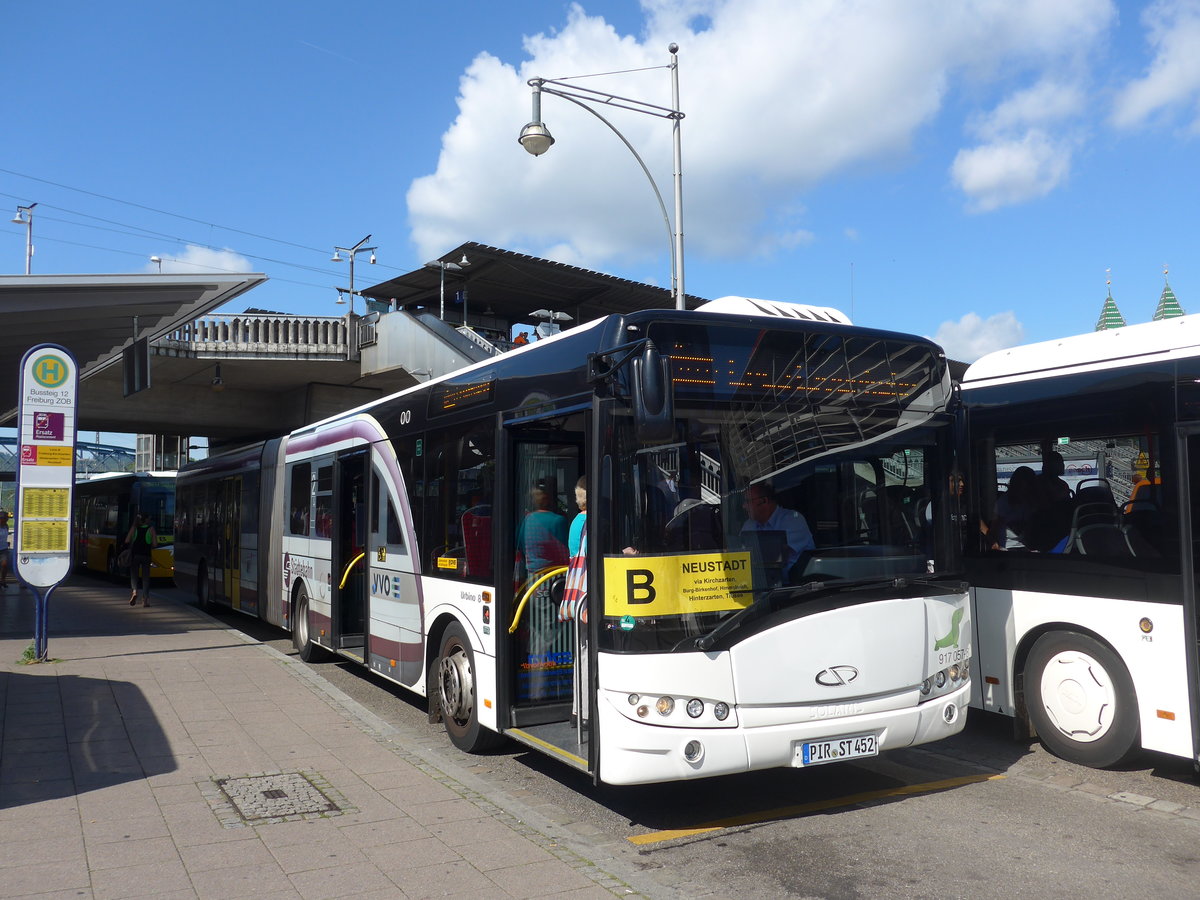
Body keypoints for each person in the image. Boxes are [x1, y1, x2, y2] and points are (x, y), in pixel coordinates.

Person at [740, 482, 815, 579]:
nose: (744, 506)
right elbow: (740, 555)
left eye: (747, 501)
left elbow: (771, 557)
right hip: (761, 586)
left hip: (795, 587)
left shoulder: (793, 520)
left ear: (764, 501)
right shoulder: (749, 524)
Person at [124, 512, 157, 607]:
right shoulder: (151, 529)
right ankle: (145, 600)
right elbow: (155, 544)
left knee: (134, 575)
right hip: (146, 555)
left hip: (135, 555)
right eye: (149, 518)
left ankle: (134, 592)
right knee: (145, 578)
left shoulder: (134, 528)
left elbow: (126, 540)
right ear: (146, 520)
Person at [0, 510, 10, 588]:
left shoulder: (6, 526)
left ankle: (3, 580)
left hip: (4, 548)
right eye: (5, 518)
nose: (6, 520)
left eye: (7, 519)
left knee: (4, 565)